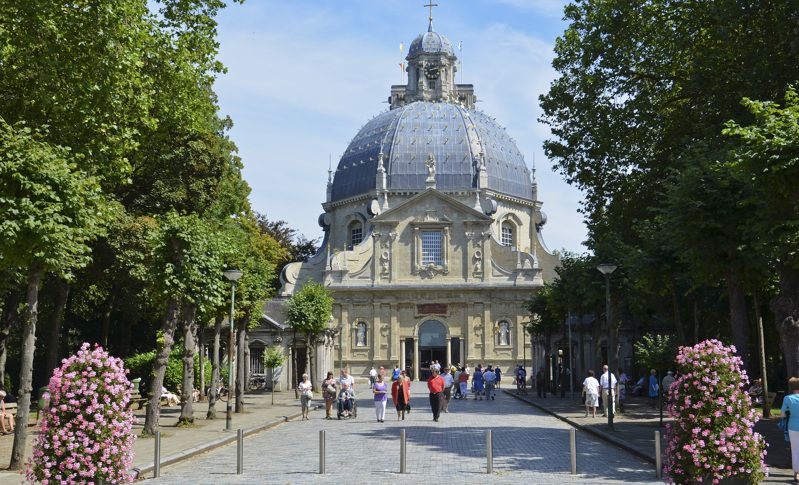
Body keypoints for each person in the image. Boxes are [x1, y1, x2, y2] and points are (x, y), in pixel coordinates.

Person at [781, 377, 799, 483]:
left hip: (793, 427)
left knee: (795, 451)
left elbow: (782, 414)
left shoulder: (788, 398)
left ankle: (796, 474)